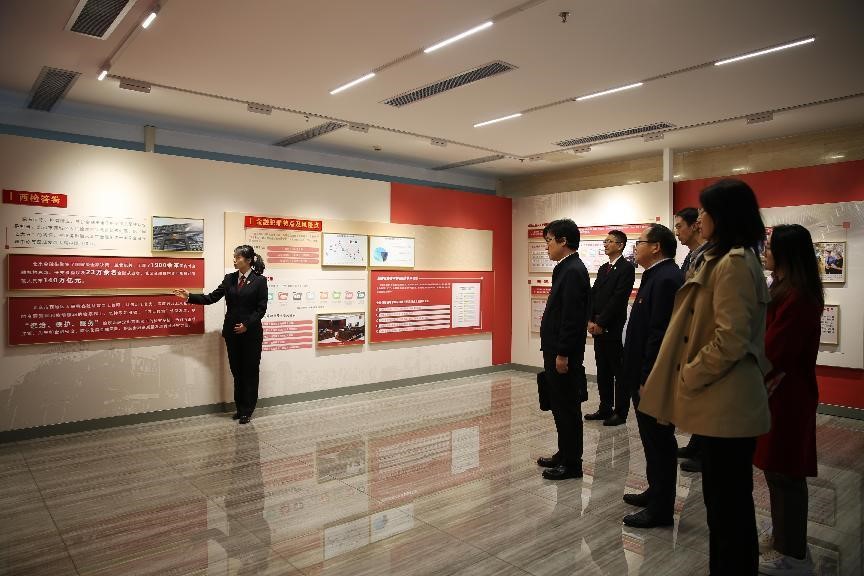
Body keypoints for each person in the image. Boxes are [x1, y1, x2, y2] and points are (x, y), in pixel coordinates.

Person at [639, 179, 771, 575]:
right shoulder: (725, 258)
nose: (699, 222)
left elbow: (731, 339)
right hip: (720, 400)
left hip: (726, 402)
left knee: (729, 507)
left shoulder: (734, 263)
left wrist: (689, 374)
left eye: (704, 213)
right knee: (722, 505)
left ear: (723, 216)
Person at [755, 224, 823, 575]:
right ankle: (783, 538)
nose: (765, 252)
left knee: (787, 473)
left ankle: (794, 553)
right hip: (776, 392)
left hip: (787, 395)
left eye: (770, 247)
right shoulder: (784, 288)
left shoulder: (798, 295)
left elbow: (775, 349)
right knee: (776, 470)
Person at [620, 224, 684, 528]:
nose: (636, 248)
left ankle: (661, 508)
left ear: (656, 247)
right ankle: (655, 490)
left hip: (653, 378)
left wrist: (649, 377)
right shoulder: (655, 274)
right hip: (642, 374)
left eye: (640, 242)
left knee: (659, 441)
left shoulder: (668, 278)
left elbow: (660, 333)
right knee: (650, 439)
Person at [174, 245, 268, 424]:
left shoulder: (259, 281)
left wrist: (247, 325)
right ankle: (240, 409)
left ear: (248, 260)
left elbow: (261, 309)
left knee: (250, 372)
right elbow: (211, 298)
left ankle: (247, 410)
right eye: (234, 256)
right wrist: (190, 297)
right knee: (237, 372)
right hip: (232, 334)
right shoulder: (229, 279)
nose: (234, 260)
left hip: (251, 335)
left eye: (238, 257)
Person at [536, 219, 591, 480]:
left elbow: (572, 317)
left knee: (567, 408)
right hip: (556, 349)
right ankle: (564, 453)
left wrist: (563, 353)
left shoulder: (573, 271)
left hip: (563, 353)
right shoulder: (566, 268)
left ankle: (572, 464)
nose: (546, 246)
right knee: (559, 406)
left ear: (563, 241)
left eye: (549, 241)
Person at [585, 229, 635, 426]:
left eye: (609, 241)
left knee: (618, 372)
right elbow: (594, 294)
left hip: (613, 328)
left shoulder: (626, 268)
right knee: (603, 370)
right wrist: (589, 320)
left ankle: (620, 412)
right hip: (597, 327)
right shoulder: (604, 268)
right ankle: (605, 408)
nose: (605, 244)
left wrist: (601, 323)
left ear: (620, 245)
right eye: (605, 241)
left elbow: (618, 299)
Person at [673, 206, 708, 473]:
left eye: (680, 226)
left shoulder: (708, 256)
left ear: (695, 225)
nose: (677, 232)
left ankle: (705, 450)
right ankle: (697, 443)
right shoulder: (692, 255)